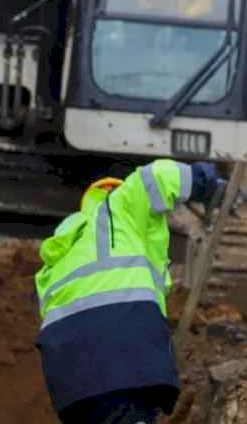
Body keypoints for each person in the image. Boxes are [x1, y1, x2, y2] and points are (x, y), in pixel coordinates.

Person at [34, 160, 225, 424]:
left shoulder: (58, 255)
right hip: (119, 354)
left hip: (68, 379)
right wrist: (204, 182)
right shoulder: (118, 207)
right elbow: (154, 177)